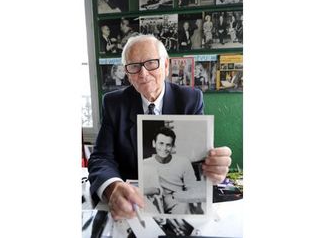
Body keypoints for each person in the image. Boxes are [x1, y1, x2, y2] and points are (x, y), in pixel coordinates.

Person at [88, 34, 232, 220]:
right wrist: (112, 187)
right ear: (127, 74)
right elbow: (101, 157)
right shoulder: (114, 103)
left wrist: (213, 166)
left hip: (177, 204)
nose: (143, 73)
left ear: (165, 66)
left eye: (151, 63)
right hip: (131, 207)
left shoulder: (189, 99)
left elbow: (198, 158)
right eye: (134, 66)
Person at [143, 127, 200, 214]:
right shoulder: (145, 163)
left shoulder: (183, 162)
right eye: (161, 143)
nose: (164, 148)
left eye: (168, 145)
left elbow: (192, 187)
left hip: (178, 202)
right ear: (154, 143)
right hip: (155, 203)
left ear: (172, 147)